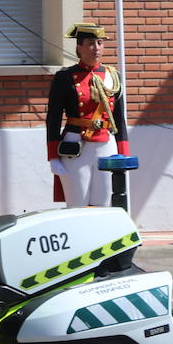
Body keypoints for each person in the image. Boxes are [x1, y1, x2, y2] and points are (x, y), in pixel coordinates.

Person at [46, 23, 129, 207]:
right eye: (91, 43)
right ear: (79, 47)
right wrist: (53, 156)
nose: (97, 48)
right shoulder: (65, 77)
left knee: (104, 205)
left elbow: (119, 120)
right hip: (75, 146)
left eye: (100, 43)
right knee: (77, 205)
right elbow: (53, 118)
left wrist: (123, 154)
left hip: (106, 145)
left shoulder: (113, 76)